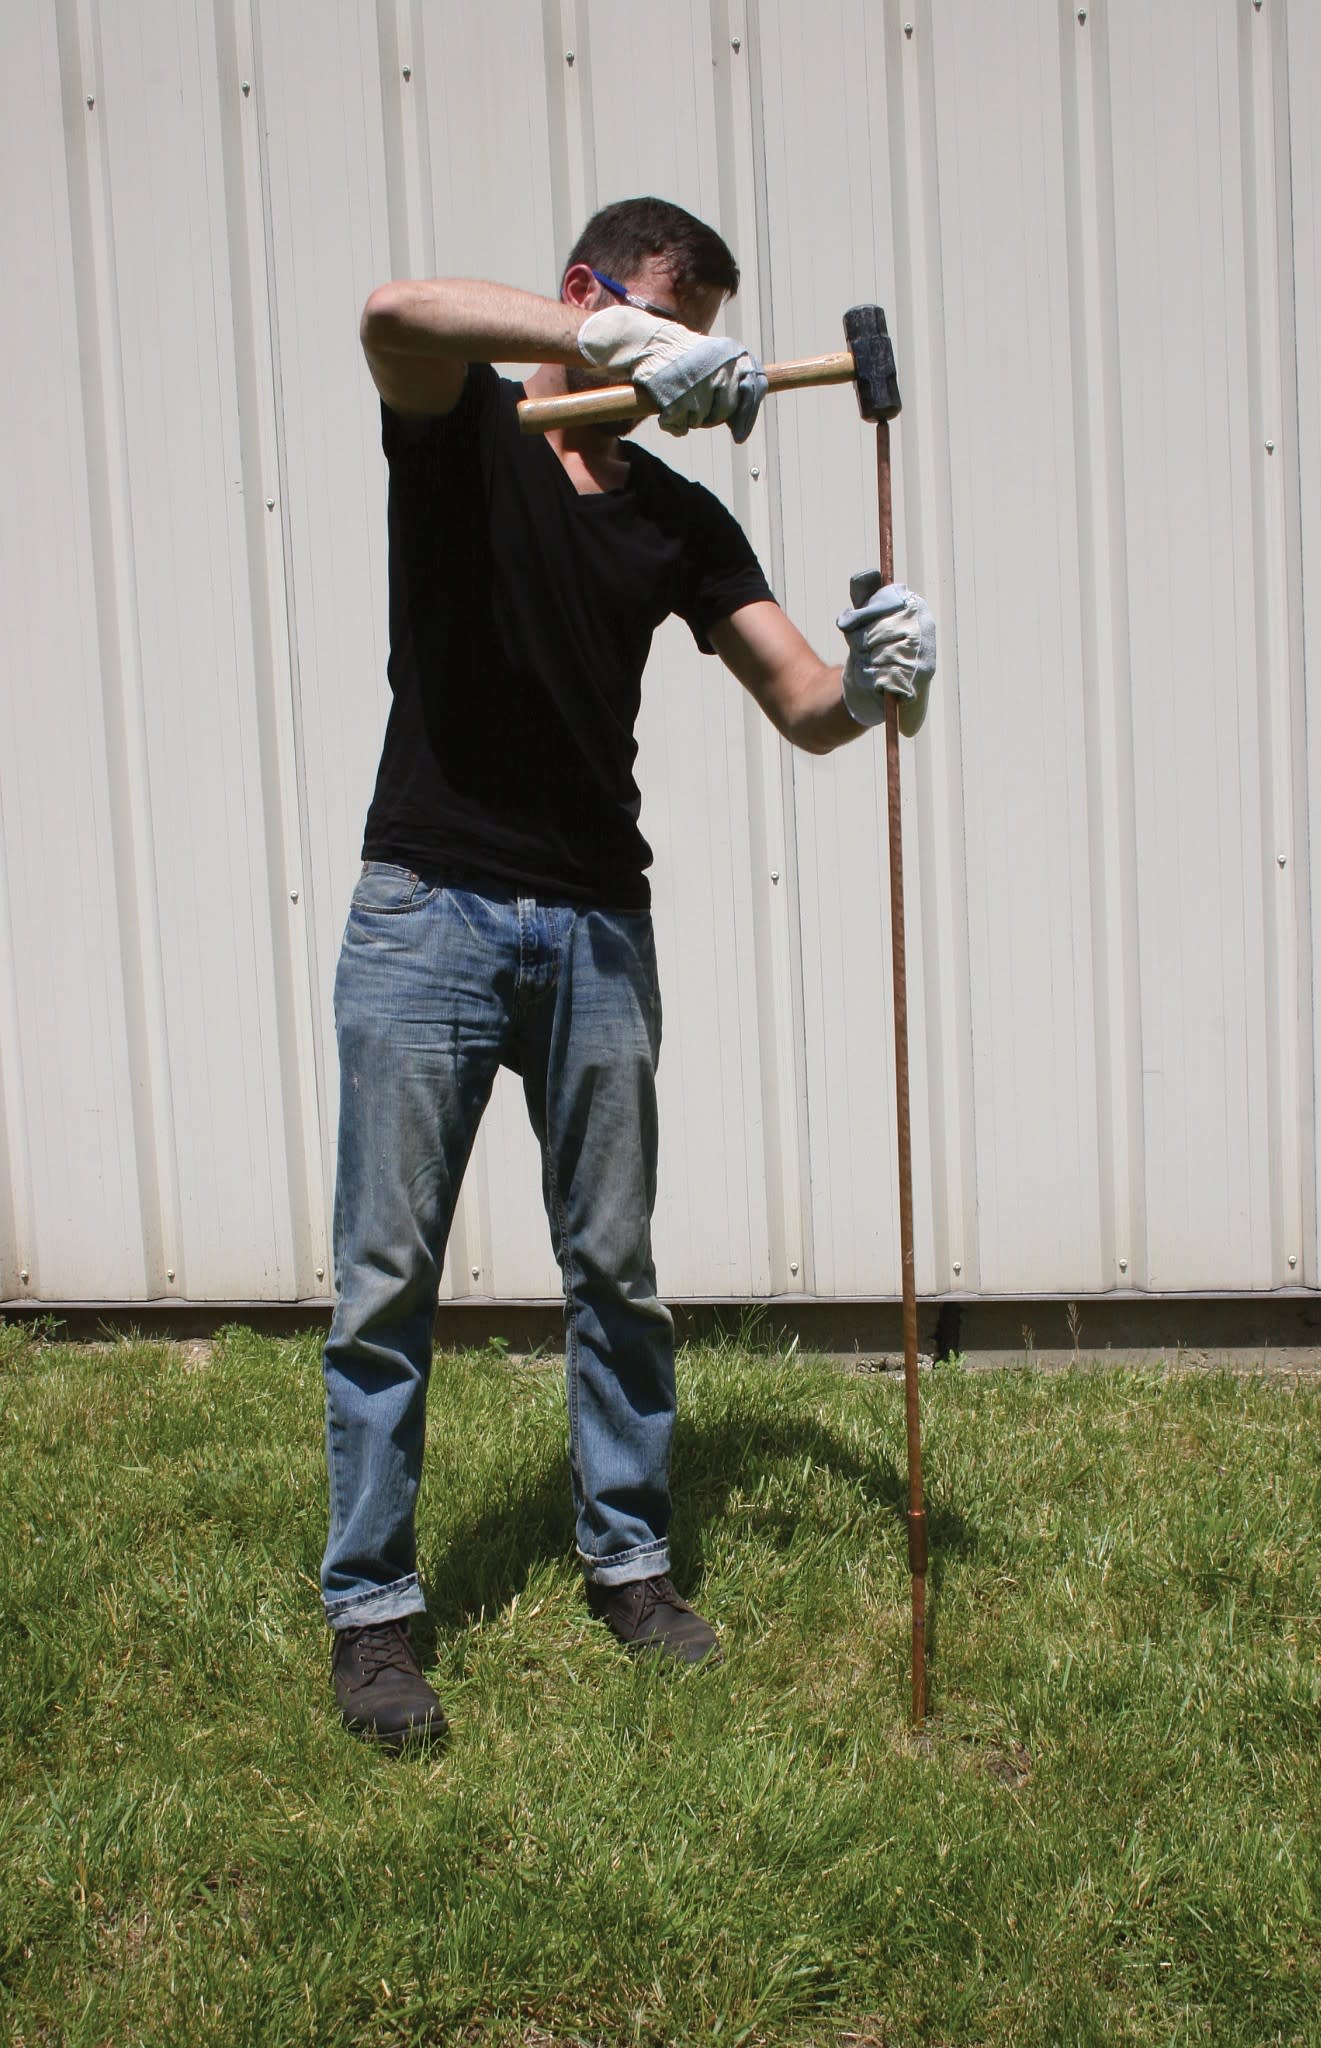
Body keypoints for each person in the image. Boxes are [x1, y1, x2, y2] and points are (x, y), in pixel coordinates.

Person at [323, 197, 936, 1749]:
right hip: (428, 908)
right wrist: (599, 342)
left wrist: (880, 686)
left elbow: (805, 702)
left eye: (699, 339)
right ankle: (374, 1617)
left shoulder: (677, 519)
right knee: (387, 1283)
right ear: (589, 294)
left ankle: (631, 1567)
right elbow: (394, 311)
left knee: (612, 1270)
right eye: (664, 322)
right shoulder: (461, 431)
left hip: (597, 925)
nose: (685, 362)